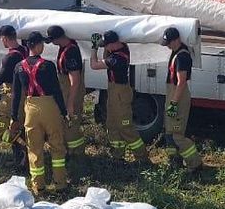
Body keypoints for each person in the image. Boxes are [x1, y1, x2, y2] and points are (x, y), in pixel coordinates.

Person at [9, 31, 68, 194]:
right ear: (38, 45)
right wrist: (63, 112)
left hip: (30, 108)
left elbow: (16, 94)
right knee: (56, 146)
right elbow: (57, 90)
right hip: (49, 105)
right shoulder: (48, 65)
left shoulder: (19, 67)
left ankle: (38, 186)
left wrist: (14, 116)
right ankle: (60, 183)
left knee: (34, 148)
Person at [89, 30, 148, 163]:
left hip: (120, 93)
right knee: (112, 124)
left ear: (114, 44)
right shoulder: (122, 48)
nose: (105, 48)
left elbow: (94, 65)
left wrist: (94, 48)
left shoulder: (117, 58)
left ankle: (142, 157)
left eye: (106, 45)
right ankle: (117, 155)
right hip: (114, 91)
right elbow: (107, 53)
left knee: (125, 126)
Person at [161, 27, 202, 172]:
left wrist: (173, 103)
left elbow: (181, 82)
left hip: (178, 97)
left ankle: (195, 164)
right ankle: (174, 161)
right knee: (169, 132)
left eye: (169, 43)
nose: (168, 46)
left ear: (176, 40)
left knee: (177, 135)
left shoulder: (182, 57)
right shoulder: (176, 52)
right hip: (173, 95)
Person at [0, 24, 28, 167]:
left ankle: (22, 155)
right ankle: (21, 157)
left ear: (4, 38)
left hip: (12, 94)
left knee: (2, 127)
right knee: (20, 125)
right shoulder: (24, 50)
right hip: (24, 94)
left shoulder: (10, 57)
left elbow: (1, 77)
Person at [47, 25, 86, 156]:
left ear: (57, 39)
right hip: (65, 90)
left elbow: (75, 80)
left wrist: (70, 103)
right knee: (64, 122)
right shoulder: (65, 47)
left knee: (71, 124)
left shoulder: (70, 52)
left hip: (71, 92)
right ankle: (68, 151)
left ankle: (77, 154)